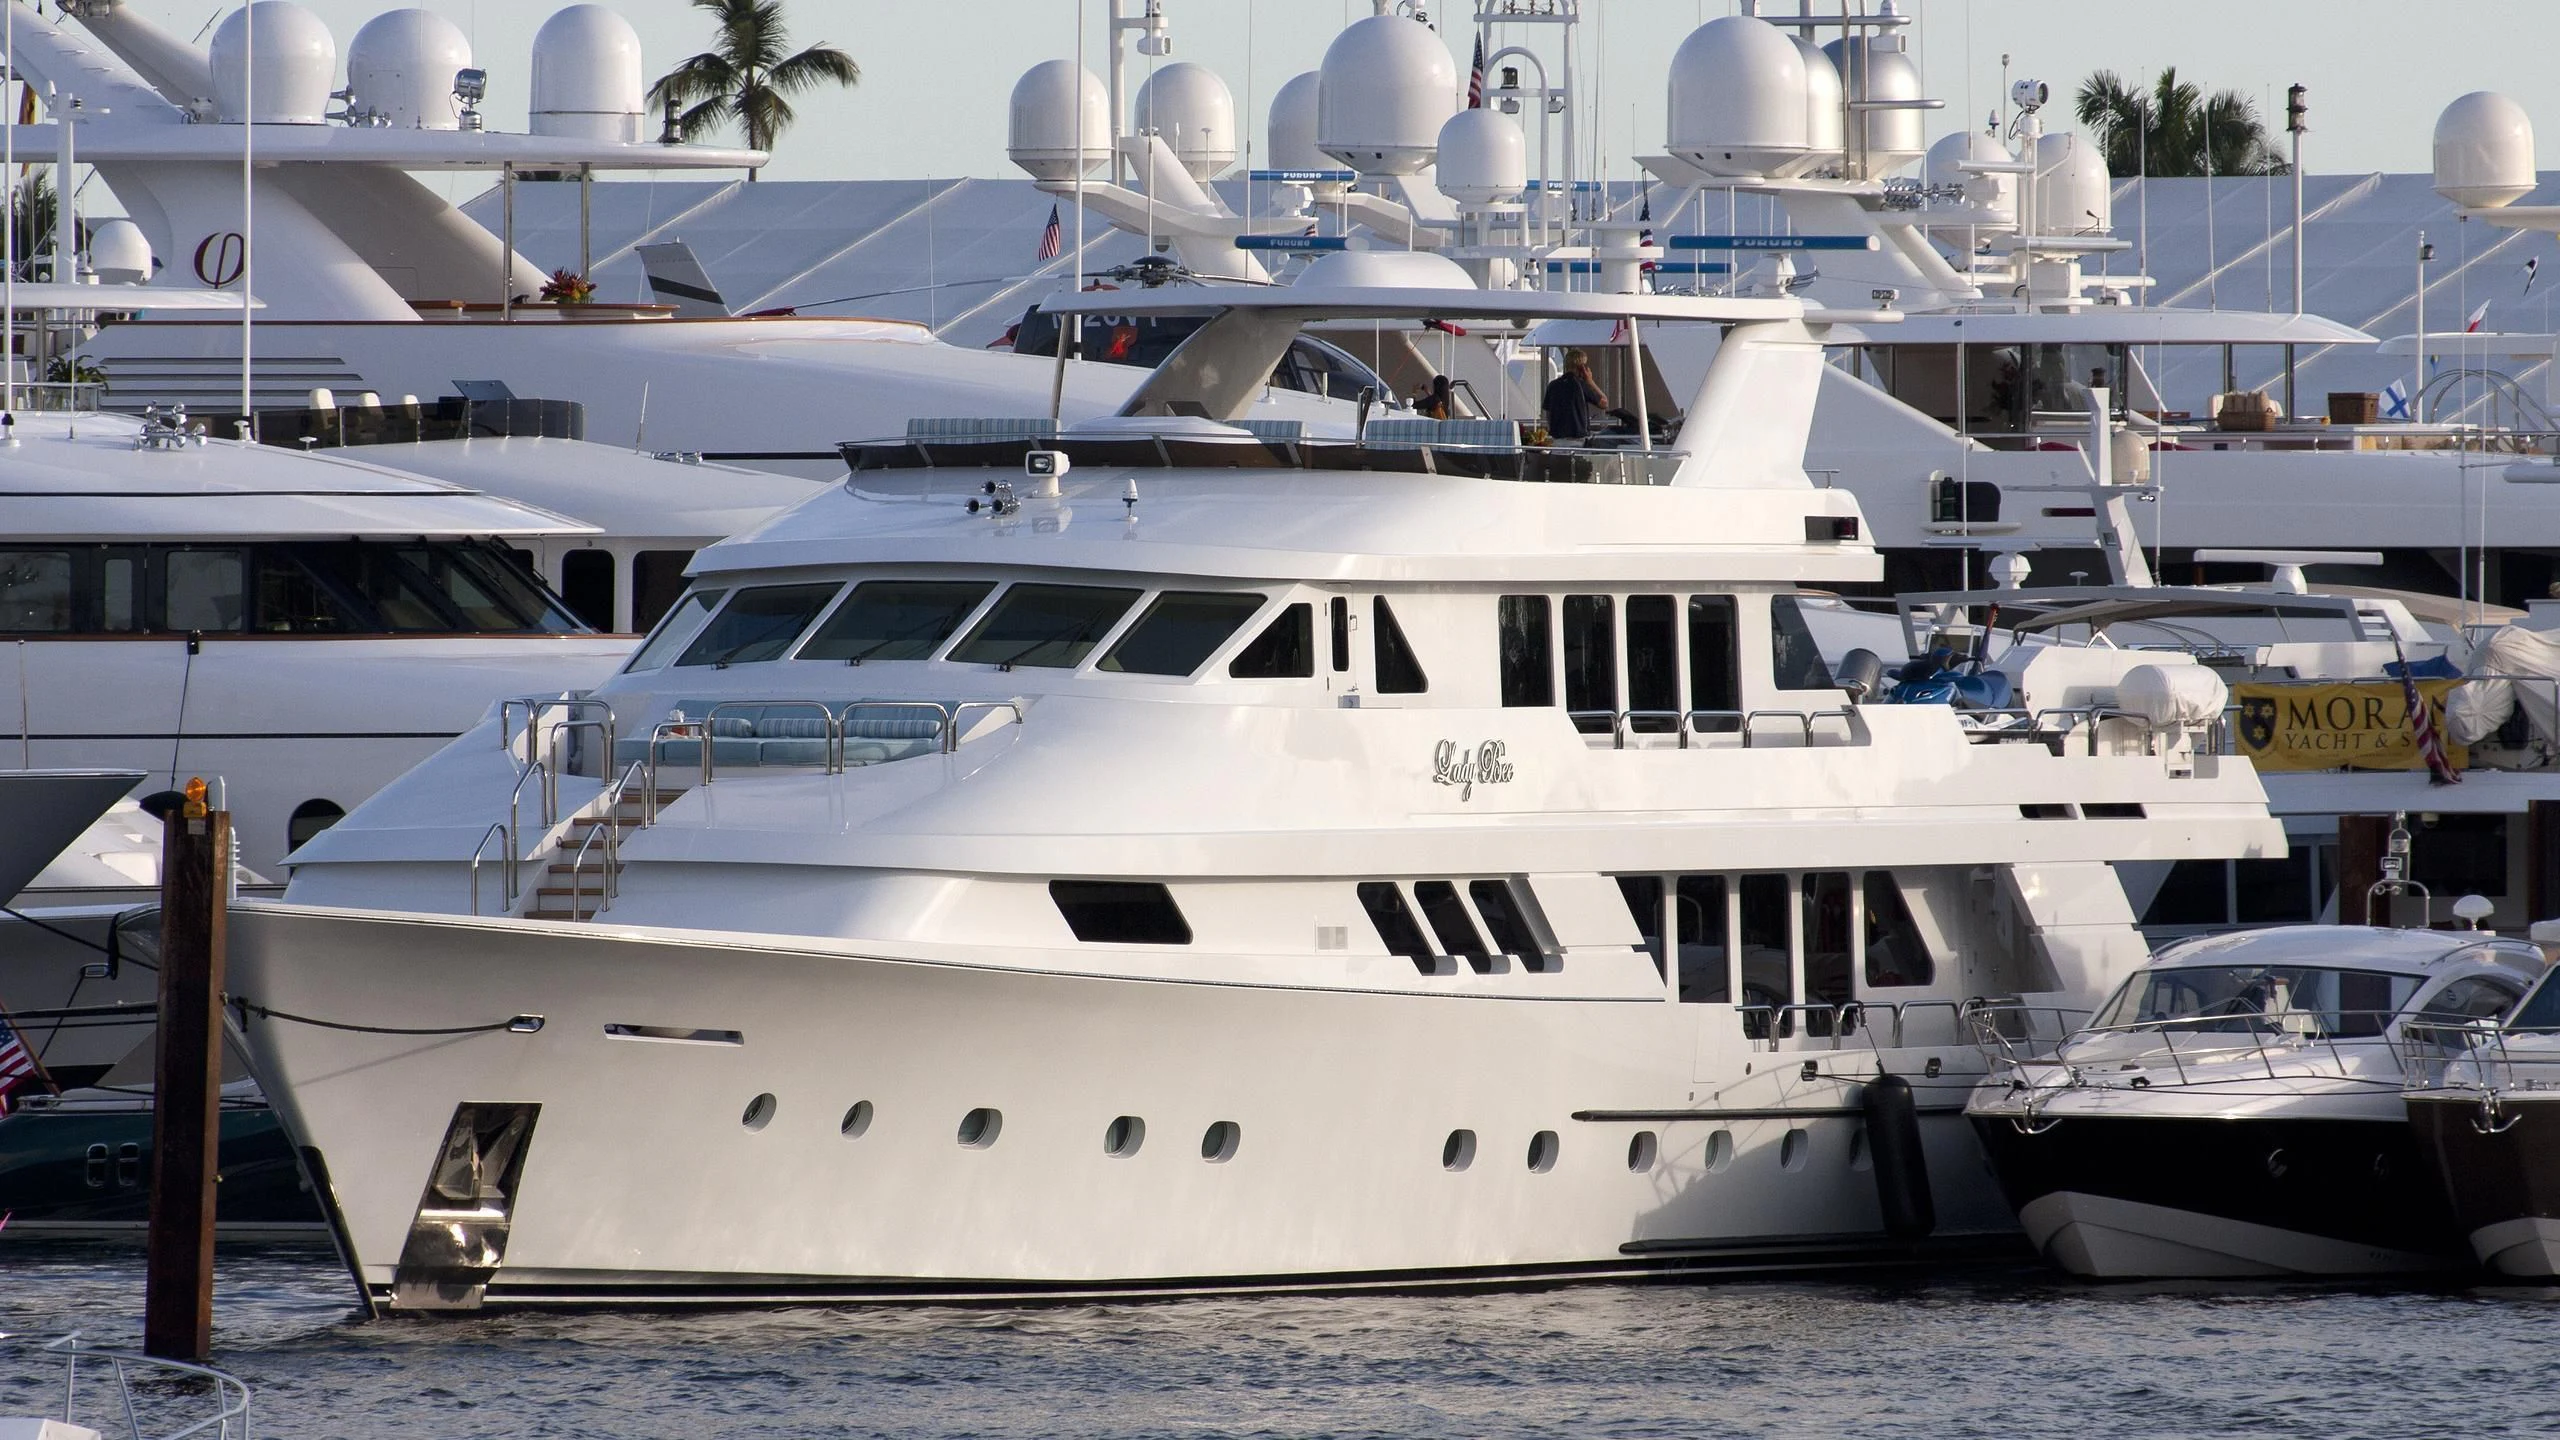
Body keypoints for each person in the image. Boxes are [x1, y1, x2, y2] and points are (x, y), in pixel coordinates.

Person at [1542, 349, 1610, 441]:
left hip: (1557, 438)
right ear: (1582, 367)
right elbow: (1604, 402)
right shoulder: (1581, 385)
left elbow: (1548, 412)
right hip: (1578, 437)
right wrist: (1590, 381)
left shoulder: (1552, 385)